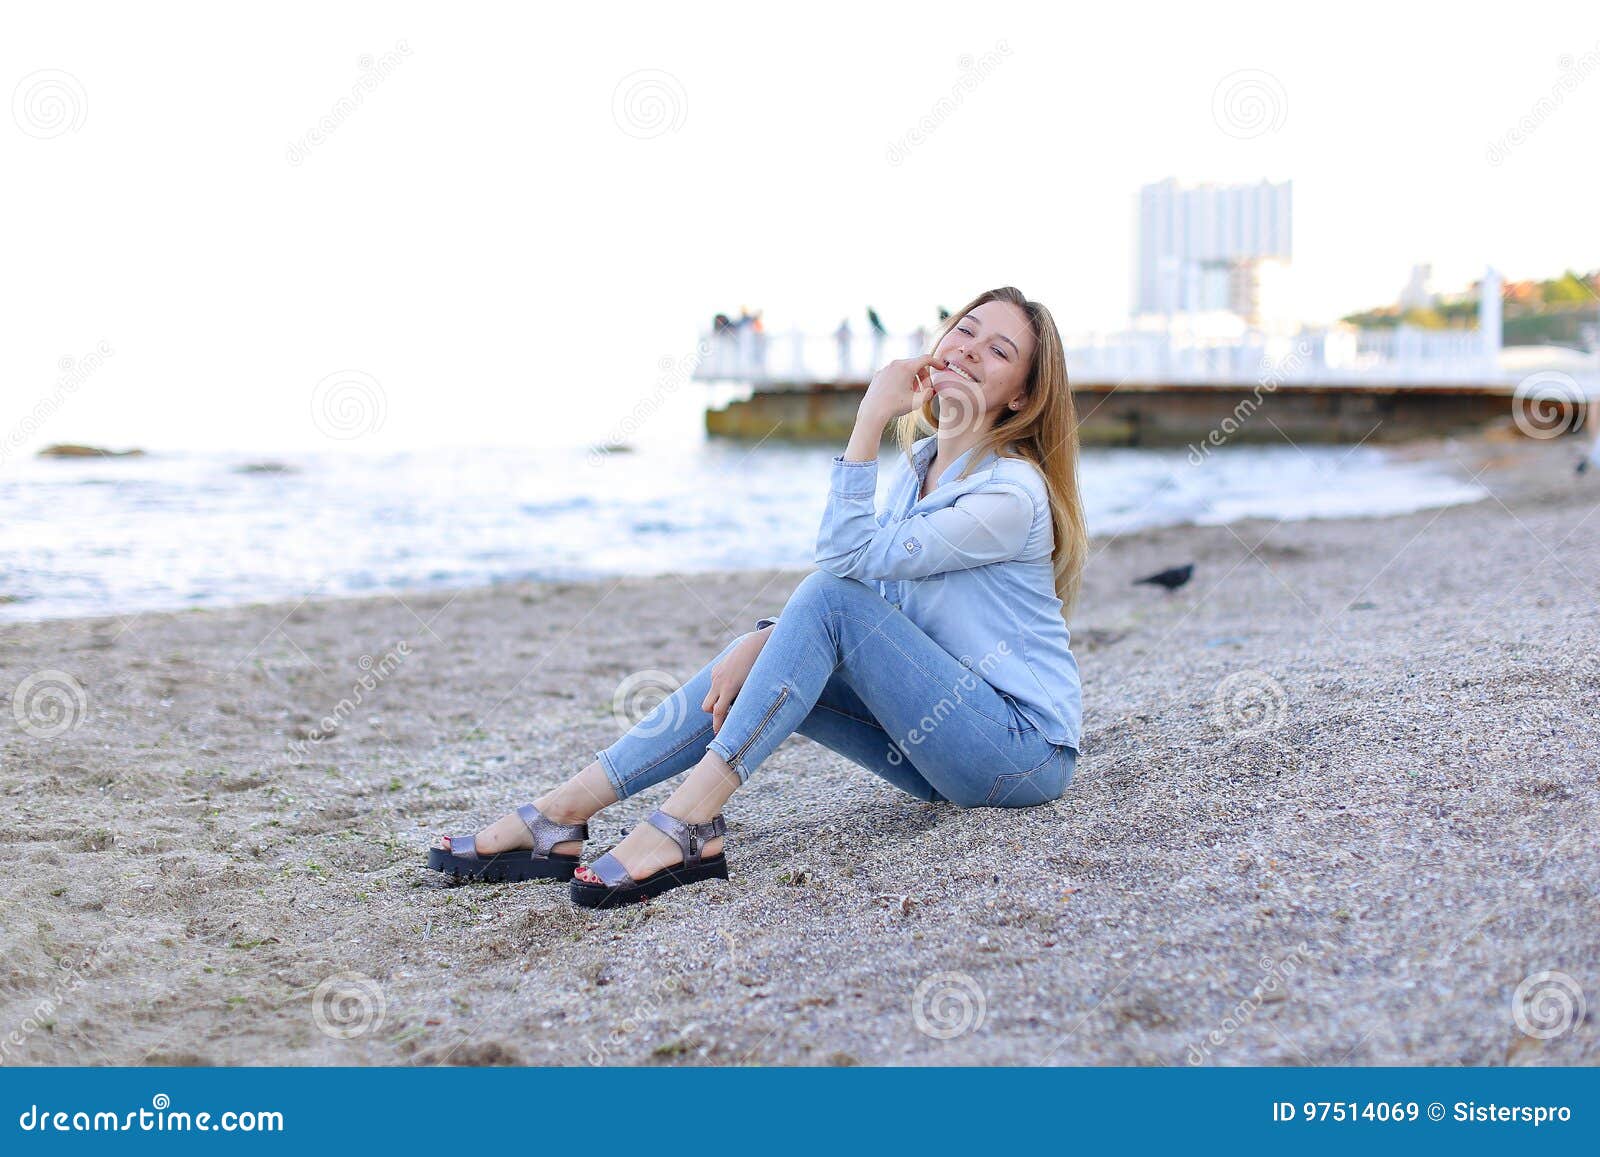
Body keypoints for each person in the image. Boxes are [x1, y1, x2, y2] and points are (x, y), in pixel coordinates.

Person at [427, 287, 1090, 908]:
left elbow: (842, 567)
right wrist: (772, 635)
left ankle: (688, 821)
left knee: (823, 597)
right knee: (762, 653)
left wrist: (868, 417)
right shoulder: (920, 470)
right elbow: (871, 594)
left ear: (1021, 395)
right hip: (938, 745)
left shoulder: (1011, 493)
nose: (971, 348)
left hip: (1018, 752)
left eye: (998, 350)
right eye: (965, 330)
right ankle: (561, 813)